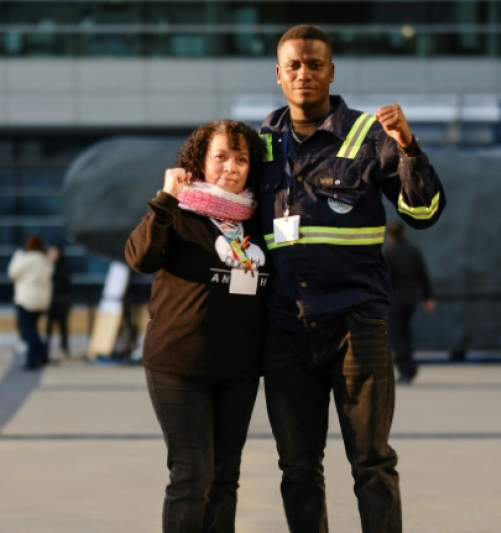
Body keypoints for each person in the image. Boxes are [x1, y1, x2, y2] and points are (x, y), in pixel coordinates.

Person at [257, 24, 446, 532]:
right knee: (297, 467)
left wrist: (408, 146)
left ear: (331, 71)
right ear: (278, 76)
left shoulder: (368, 136)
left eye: (315, 64)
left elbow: (423, 211)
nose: (304, 74)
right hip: (284, 331)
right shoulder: (260, 146)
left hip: (355, 326)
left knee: (372, 462)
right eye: (293, 66)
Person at [125, 119, 269, 532]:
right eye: (220, 157)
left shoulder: (258, 221)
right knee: (192, 475)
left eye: (241, 159)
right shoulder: (178, 213)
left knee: (225, 477)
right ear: (200, 162)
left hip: (239, 370)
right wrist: (165, 199)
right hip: (179, 366)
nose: (231, 167)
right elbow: (140, 258)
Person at [383, 221, 436, 385]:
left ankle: (406, 369)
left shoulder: (388, 253)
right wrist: (428, 297)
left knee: (397, 336)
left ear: (390, 236)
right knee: (405, 333)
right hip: (411, 299)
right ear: (404, 233)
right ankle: (410, 366)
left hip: (395, 300)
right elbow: (423, 275)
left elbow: (386, 279)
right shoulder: (413, 251)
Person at [7, 235, 53, 370]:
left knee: (28, 331)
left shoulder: (26, 259)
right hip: (41, 301)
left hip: (26, 300)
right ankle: (42, 354)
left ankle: (31, 360)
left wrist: (18, 256)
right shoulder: (45, 260)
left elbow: (12, 273)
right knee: (33, 329)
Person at [45, 244, 72, 359]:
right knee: (49, 327)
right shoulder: (46, 265)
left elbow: (65, 283)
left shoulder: (63, 266)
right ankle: (46, 348)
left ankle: (64, 347)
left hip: (62, 301)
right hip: (50, 301)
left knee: (63, 326)